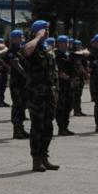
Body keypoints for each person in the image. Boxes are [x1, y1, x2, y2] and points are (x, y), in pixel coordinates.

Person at [23, 20, 60, 172]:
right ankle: (36, 159)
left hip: (49, 93)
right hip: (36, 94)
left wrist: (56, 92)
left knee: (48, 126)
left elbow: (54, 73)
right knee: (37, 126)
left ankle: (44, 156)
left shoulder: (47, 49)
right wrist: (38, 37)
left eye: (48, 29)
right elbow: (26, 51)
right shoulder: (32, 46)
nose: (47, 32)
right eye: (45, 29)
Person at [4, 29, 30, 139]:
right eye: (19, 37)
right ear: (14, 39)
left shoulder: (22, 49)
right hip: (17, 83)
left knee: (23, 105)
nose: (21, 38)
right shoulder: (12, 51)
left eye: (21, 36)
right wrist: (27, 75)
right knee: (17, 106)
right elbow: (16, 65)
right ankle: (17, 130)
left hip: (23, 82)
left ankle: (21, 128)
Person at [53, 35, 76, 136]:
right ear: (59, 44)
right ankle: (61, 128)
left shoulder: (69, 54)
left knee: (68, 106)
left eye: (67, 42)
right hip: (60, 84)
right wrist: (63, 76)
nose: (67, 44)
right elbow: (56, 70)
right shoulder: (55, 55)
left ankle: (65, 127)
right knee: (61, 107)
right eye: (64, 42)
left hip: (69, 84)